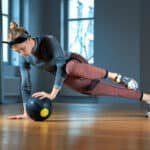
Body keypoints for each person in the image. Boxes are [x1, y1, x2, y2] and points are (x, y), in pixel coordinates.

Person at [2, 21, 150, 119]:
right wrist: (26, 111)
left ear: (28, 40)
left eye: (22, 49)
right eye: (17, 52)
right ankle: (147, 98)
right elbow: (25, 86)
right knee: (107, 91)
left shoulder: (48, 40)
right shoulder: (25, 58)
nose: (22, 54)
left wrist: (53, 93)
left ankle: (116, 76)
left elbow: (61, 65)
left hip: (76, 64)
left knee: (70, 67)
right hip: (68, 79)